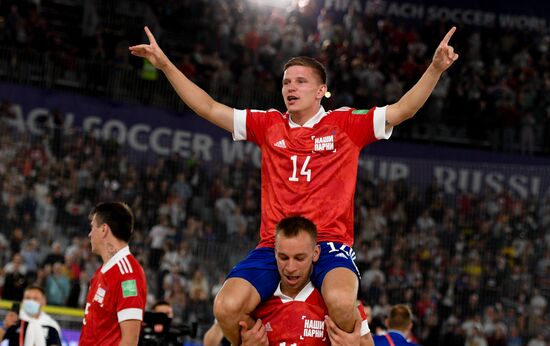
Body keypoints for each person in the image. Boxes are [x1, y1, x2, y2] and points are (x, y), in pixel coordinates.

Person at [129, 26, 459, 344]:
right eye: (287, 81)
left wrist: (434, 69)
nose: (291, 87)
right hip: (275, 247)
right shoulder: (269, 124)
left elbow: (403, 109)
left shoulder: (345, 124)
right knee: (225, 308)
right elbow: (210, 107)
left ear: (320, 91)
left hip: (329, 244)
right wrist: (166, 66)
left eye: (301, 82)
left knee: (343, 303)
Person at [239, 216, 373, 346]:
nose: (290, 268)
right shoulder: (255, 303)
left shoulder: (343, 303)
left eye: (299, 258)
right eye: (284, 258)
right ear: (275, 253)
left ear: (315, 253)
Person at [79, 202, 147, 346]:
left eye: (92, 227)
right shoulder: (102, 272)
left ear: (104, 229)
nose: (90, 234)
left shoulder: (128, 276)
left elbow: (129, 341)